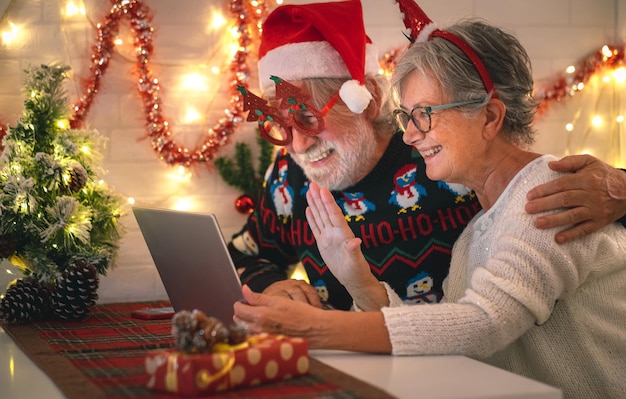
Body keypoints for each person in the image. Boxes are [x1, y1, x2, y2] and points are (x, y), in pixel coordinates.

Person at [233, 4, 626, 398]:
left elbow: (482, 325)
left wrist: (310, 329)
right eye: (407, 116)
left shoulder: (548, 193)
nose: (408, 136)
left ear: (489, 118)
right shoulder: (476, 232)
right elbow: (442, 334)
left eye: (424, 115)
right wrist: (360, 280)